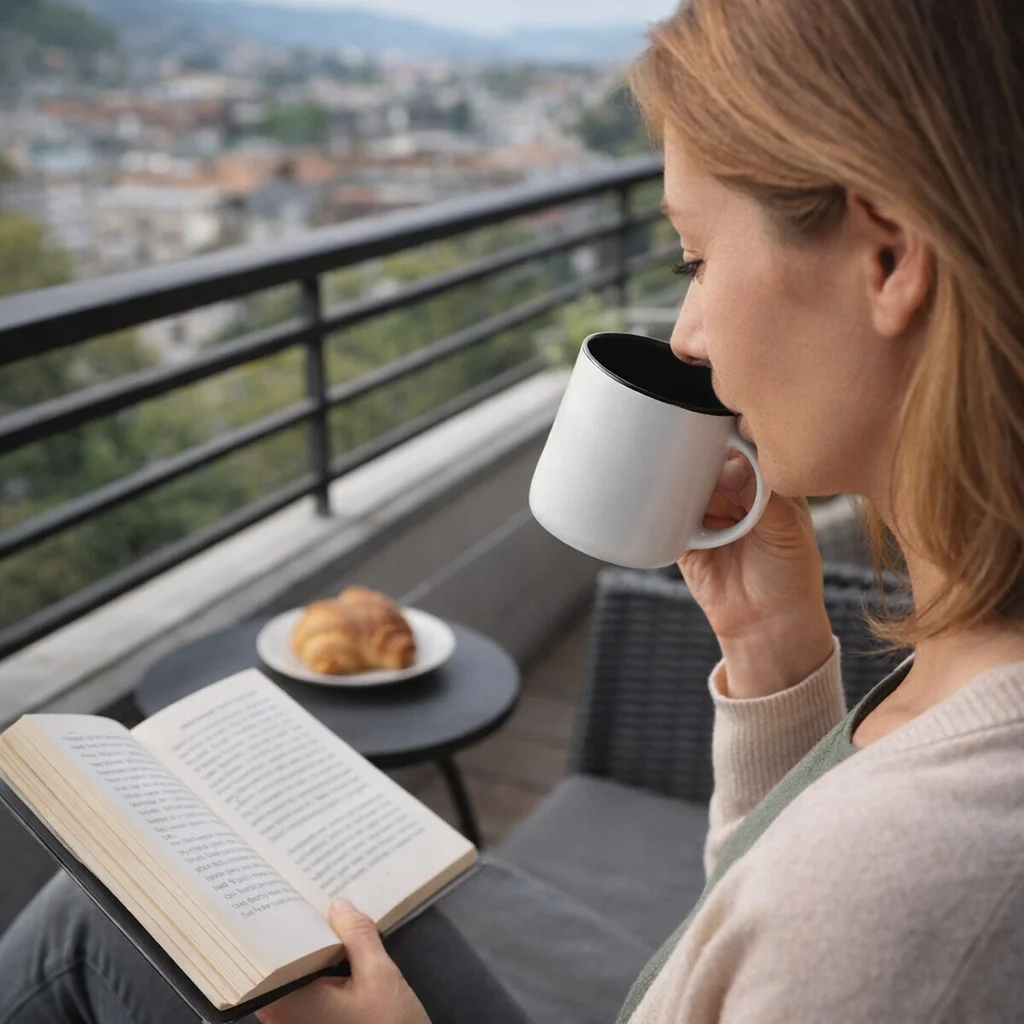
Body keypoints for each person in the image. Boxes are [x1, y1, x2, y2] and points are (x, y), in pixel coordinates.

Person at [3, 0, 1024, 1020]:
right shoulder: (963, 674)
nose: (687, 335)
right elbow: (757, 919)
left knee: (95, 927)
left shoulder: (908, 880)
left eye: (697, 258)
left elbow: (822, 906)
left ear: (888, 257)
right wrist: (772, 661)